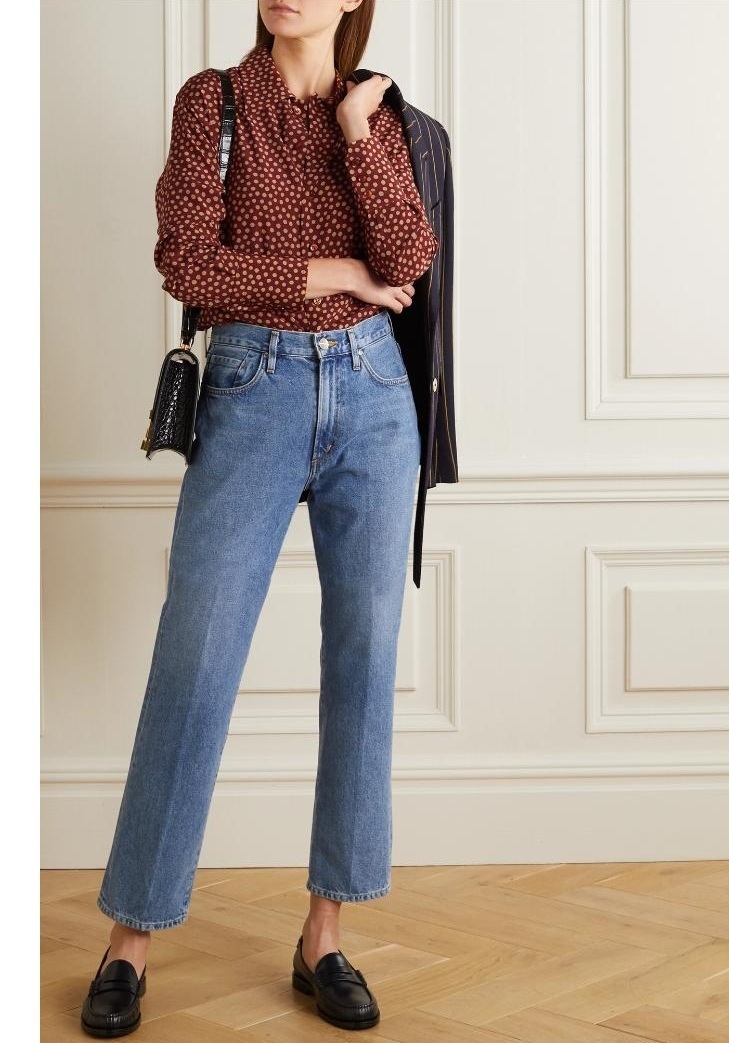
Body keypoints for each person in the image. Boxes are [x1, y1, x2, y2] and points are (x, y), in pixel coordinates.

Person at [80, 0, 441, 1036]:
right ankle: (130, 937)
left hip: (374, 395)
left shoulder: (381, 115)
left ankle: (325, 934)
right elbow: (188, 262)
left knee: (364, 656)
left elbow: (407, 258)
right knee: (195, 659)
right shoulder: (216, 102)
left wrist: (357, 134)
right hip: (253, 386)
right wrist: (330, 272)